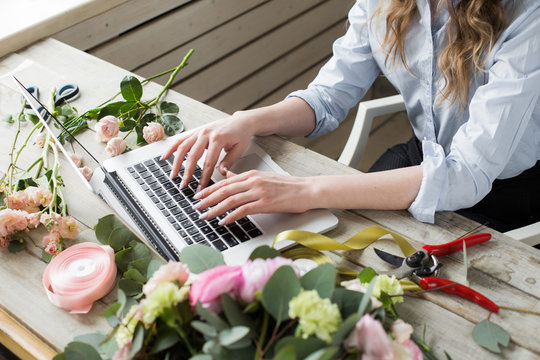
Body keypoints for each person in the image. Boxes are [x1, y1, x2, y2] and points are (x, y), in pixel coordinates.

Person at [162, 0, 540, 233]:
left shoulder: (528, 15)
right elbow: (327, 98)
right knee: (336, 245)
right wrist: (247, 121)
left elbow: (467, 174)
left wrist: (305, 190)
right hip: (421, 157)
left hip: (508, 194)